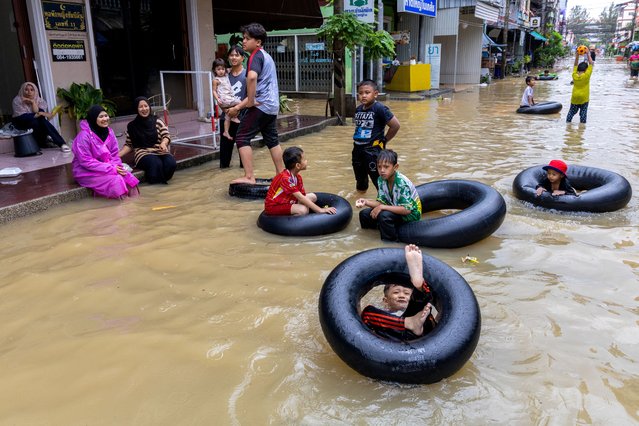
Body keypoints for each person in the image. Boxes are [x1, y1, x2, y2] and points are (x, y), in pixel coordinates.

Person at [226, 23, 284, 184]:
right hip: (271, 106)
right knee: (272, 139)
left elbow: (251, 77)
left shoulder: (255, 56)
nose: (243, 41)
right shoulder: (266, 56)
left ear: (257, 42)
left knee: (242, 136)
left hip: (261, 105)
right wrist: (239, 107)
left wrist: (249, 102)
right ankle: (281, 175)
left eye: (247, 38)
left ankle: (249, 176)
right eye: (244, 38)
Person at [361, 244, 437, 341]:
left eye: (406, 293)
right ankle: (409, 323)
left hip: (425, 330)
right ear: (385, 300)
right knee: (368, 313)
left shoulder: (420, 312)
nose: (401, 295)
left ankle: (418, 284)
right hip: (396, 337)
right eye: (396, 292)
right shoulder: (385, 313)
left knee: (421, 304)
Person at [72, 105, 139, 199]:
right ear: (93, 119)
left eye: (106, 116)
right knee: (116, 180)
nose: (105, 119)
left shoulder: (109, 132)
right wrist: (111, 168)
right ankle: (125, 206)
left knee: (128, 176)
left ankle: (136, 204)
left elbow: (115, 155)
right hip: (87, 172)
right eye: (101, 117)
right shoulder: (83, 137)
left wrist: (116, 167)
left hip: (109, 167)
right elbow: (86, 161)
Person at [356, 149, 421, 242]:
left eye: (386, 167)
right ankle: (368, 241)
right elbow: (381, 203)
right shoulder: (381, 180)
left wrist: (382, 207)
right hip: (394, 209)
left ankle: (390, 243)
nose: (382, 170)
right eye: (379, 167)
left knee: (384, 216)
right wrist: (365, 201)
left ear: (395, 167)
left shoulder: (401, 183)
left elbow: (407, 210)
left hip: (411, 216)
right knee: (364, 214)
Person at [352, 79, 401, 193]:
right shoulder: (358, 109)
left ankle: (386, 202)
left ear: (375, 94)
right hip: (357, 149)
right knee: (360, 180)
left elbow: (395, 126)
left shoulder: (380, 108)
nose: (363, 96)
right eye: (360, 93)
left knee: (378, 180)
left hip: (373, 151)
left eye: (367, 92)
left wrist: (384, 140)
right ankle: (360, 199)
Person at [118, 97, 176, 184]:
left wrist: (164, 143)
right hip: (143, 153)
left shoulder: (158, 121)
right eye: (140, 107)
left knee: (171, 163)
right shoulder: (132, 126)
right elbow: (130, 144)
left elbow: (166, 135)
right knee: (155, 163)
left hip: (160, 151)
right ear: (136, 109)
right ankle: (156, 185)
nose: (144, 109)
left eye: (146, 106)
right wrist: (117, 155)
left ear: (149, 107)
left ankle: (162, 183)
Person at [264, 146, 336, 216]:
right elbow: (301, 198)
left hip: (288, 201)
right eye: (304, 160)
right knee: (303, 210)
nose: (306, 161)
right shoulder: (285, 178)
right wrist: (320, 210)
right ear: (298, 165)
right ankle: (289, 222)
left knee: (312, 197)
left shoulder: (298, 177)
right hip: (274, 206)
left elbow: (302, 196)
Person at [11, 82, 70, 152]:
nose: (29, 92)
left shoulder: (38, 100)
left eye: (31, 90)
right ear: (22, 90)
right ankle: (59, 143)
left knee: (40, 120)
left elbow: (38, 112)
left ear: (35, 91)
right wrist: (37, 114)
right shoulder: (17, 100)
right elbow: (21, 117)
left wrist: (32, 102)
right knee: (38, 120)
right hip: (21, 123)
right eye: (26, 90)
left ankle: (61, 143)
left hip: (35, 123)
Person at [219, 46, 247, 168]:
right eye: (231, 55)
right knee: (224, 151)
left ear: (242, 58)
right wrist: (225, 110)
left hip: (243, 117)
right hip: (225, 117)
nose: (234, 57)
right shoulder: (224, 74)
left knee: (244, 151)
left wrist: (237, 109)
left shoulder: (248, 75)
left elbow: (251, 96)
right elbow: (218, 94)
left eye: (237, 55)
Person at [212, 58, 242, 141]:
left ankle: (226, 132)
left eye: (222, 69)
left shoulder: (226, 74)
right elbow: (214, 91)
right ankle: (235, 116)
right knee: (240, 103)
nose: (221, 71)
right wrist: (217, 99)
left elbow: (231, 68)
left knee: (227, 116)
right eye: (218, 69)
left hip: (229, 99)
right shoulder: (216, 80)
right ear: (214, 70)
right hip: (224, 100)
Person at [566, 50, 594, 124]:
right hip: (584, 98)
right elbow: (591, 63)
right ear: (585, 70)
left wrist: (577, 55)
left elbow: (575, 65)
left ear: (578, 69)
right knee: (583, 114)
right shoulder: (586, 75)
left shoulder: (574, 75)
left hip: (575, 97)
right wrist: (588, 54)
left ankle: (568, 125)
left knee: (571, 112)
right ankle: (581, 130)